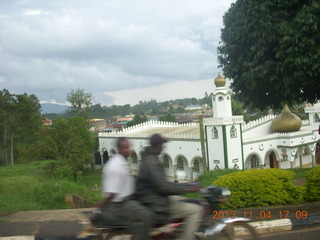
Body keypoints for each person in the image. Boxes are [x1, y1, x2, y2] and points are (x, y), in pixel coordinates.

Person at [135, 133, 204, 240]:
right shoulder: (152, 162)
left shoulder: (148, 157)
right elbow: (162, 187)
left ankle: (177, 231)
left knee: (182, 200)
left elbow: (162, 184)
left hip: (152, 199)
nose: (163, 147)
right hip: (156, 205)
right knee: (195, 209)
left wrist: (187, 184)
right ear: (158, 145)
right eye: (162, 145)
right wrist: (187, 188)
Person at [95, 137, 154, 240]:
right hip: (119, 204)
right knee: (147, 216)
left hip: (127, 200)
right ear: (120, 149)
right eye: (126, 148)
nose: (129, 150)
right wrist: (102, 204)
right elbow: (113, 193)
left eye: (129, 147)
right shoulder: (115, 166)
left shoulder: (121, 162)